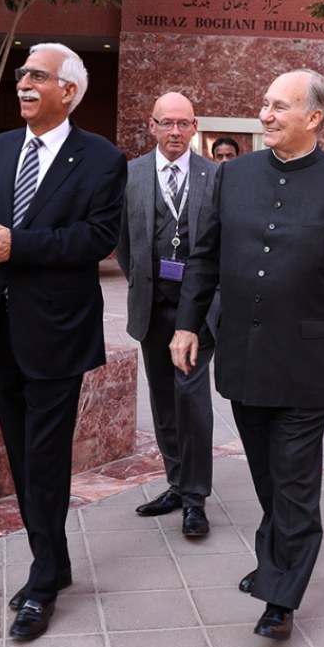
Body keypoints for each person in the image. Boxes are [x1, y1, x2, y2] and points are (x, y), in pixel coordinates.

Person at [171, 69, 324, 641]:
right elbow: (203, 258)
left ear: (315, 118)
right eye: (265, 104)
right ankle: (276, 560)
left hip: (312, 361)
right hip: (246, 358)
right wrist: (186, 326)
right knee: (268, 476)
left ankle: (281, 596)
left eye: (278, 106)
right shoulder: (234, 176)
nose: (266, 115)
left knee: (296, 479)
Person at [0, 43, 126, 642]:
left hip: (57, 334)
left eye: (36, 76)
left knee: (45, 460)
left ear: (69, 92)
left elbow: (97, 239)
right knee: (23, 457)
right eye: (21, 75)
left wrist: (16, 246)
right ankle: (55, 559)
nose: (22, 83)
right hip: (0, 329)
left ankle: (44, 583)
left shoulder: (101, 158)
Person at [116, 92, 217, 537]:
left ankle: (195, 499)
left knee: (192, 400)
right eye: (166, 123)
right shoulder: (131, 174)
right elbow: (122, 243)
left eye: (183, 123)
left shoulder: (216, 176)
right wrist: (143, 281)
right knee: (163, 400)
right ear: (151, 126)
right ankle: (176, 482)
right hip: (152, 308)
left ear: (195, 128)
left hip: (198, 313)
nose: (175, 132)